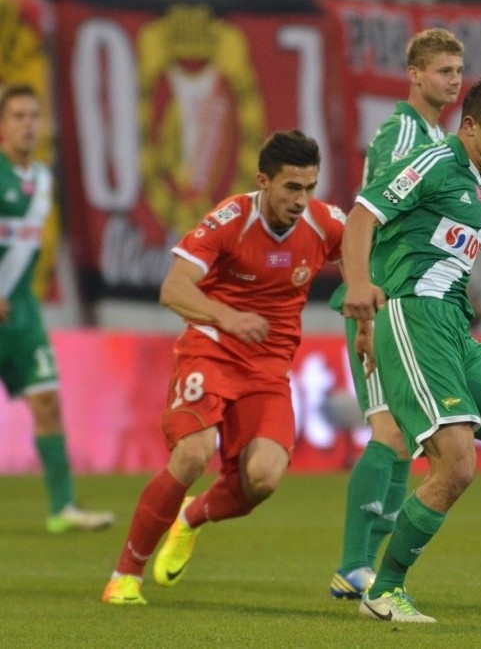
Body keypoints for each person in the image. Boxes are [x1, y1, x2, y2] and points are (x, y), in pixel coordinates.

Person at [343, 74, 481, 623]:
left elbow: (427, 233)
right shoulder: (433, 160)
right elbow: (362, 216)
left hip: (455, 326)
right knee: (456, 466)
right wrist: (357, 288)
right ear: (468, 126)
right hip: (416, 319)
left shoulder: (477, 174)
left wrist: (474, 237)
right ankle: (384, 590)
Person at [101, 129, 345, 605]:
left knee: (264, 479)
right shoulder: (230, 219)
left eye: (310, 187)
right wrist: (228, 317)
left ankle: (190, 518)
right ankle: (125, 575)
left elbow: (363, 251)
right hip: (211, 349)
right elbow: (174, 289)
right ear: (263, 182)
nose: (301, 200)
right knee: (193, 453)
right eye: (291, 187)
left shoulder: (325, 223)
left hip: (269, 367)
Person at [328, 28, 481, 599]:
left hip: (399, 298)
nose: (454, 81)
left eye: (459, 71)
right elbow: (376, 216)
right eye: (442, 71)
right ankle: (357, 565)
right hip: (386, 298)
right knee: (389, 430)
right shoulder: (402, 132)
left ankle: (364, 564)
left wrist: (472, 230)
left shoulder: (436, 135)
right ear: (413, 74)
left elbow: (419, 217)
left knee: (403, 435)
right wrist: (366, 309)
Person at [0, 83, 115, 534]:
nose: (29, 125)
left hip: (22, 314)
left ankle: (63, 506)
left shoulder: (45, 180)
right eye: (18, 117)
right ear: (3, 125)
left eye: (34, 116)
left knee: (47, 402)